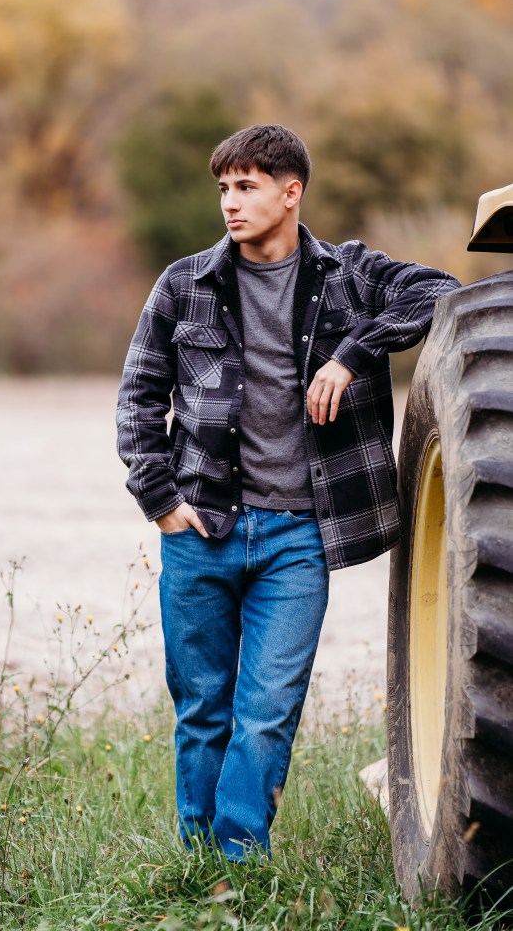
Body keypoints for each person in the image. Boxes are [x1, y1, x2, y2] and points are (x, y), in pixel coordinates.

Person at [116, 124, 459, 861]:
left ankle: (239, 863)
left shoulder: (348, 274)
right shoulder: (184, 284)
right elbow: (139, 395)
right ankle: (196, 862)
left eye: (245, 187)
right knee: (203, 708)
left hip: (297, 537)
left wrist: (352, 353)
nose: (229, 204)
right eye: (223, 189)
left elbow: (442, 293)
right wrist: (160, 501)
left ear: (289, 191)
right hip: (199, 526)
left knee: (267, 710)